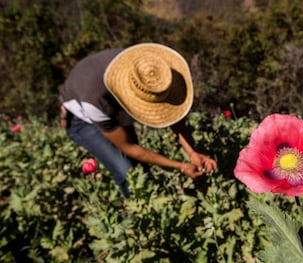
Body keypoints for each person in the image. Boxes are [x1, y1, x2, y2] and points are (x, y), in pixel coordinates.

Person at [59, 43, 217, 198]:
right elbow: (129, 147)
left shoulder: (148, 68)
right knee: (127, 172)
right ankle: (140, 214)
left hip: (102, 97)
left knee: (142, 170)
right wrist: (181, 167)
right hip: (81, 119)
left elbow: (173, 117)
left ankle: (151, 201)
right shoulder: (96, 102)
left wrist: (192, 152)